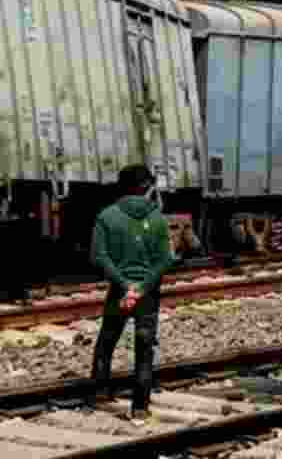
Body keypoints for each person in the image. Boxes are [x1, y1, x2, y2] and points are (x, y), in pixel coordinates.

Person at [90, 164, 174, 421]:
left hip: (119, 291)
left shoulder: (107, 217)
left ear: (122, 186)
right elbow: (165, 260)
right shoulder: (157, 218)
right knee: (144, 348)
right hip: (147, 294)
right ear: (147, 187)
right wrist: (141, 286)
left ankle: (100, 392)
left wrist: (125, 286)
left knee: (107, 341)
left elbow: (98, 256)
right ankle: (140, 406)